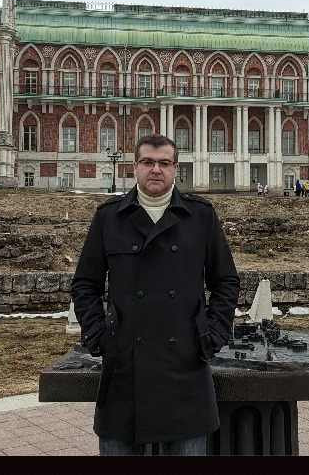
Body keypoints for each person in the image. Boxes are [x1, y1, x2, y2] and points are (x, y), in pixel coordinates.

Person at [70, 134, 240, 456]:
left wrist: (213, 334)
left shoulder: (200, 216)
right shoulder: (109, 217)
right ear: (134, 168)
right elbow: (85, 284)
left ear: (176, 169)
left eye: (164, 163)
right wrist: (99, 336)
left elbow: (226, 280)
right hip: (124, 369)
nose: (156, 170)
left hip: (185, 366)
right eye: (148, 162)